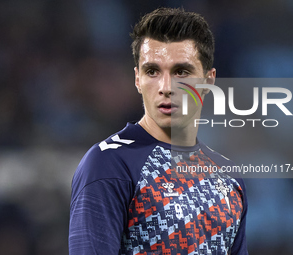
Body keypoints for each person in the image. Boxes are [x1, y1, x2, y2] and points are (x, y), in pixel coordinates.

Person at [69, 7, 248, 255]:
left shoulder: (228, 179)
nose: (166, 87)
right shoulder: (108, 164)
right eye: (152, 71)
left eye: (181, 72)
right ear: (137, 79)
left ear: (209, 81)